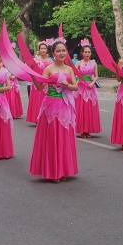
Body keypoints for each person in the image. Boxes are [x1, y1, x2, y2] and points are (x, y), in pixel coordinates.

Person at [29, 41, 79, 182]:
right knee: (52, 137)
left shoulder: (69, 69)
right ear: (53, 53)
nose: (62, 53)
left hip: (65, 105)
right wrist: (32, 74)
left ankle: (63, 170)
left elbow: (75, 87)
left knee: (64, 137)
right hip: (51, 105)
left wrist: (67, 84)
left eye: (64, 50)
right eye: (58, 51)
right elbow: (40, 87)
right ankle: (53, 171)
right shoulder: (49, 69)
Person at [75, 40, 101, 138]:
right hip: (81, 87)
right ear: (82, 53)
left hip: (91, 87)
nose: (87, 54)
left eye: (89, 52)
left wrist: (93, 83)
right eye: (85, 52)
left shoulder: (94, 63)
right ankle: (82, 130)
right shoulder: (78, 63)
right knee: (81, 109)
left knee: (90, 109)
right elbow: (73, 74)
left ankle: (88, 130)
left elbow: (96, 76)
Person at [26, 41, 53, 123]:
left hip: (47, 84)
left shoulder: (51, 61)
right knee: (37, 100)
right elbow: (27, 69)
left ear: (47, 50)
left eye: (45, 48)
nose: (43, 50)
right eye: (42, 48)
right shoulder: (35, 60)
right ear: (39, 50)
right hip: (37, 82)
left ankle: (45, 117)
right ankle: (36, 118)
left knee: (45, 100)